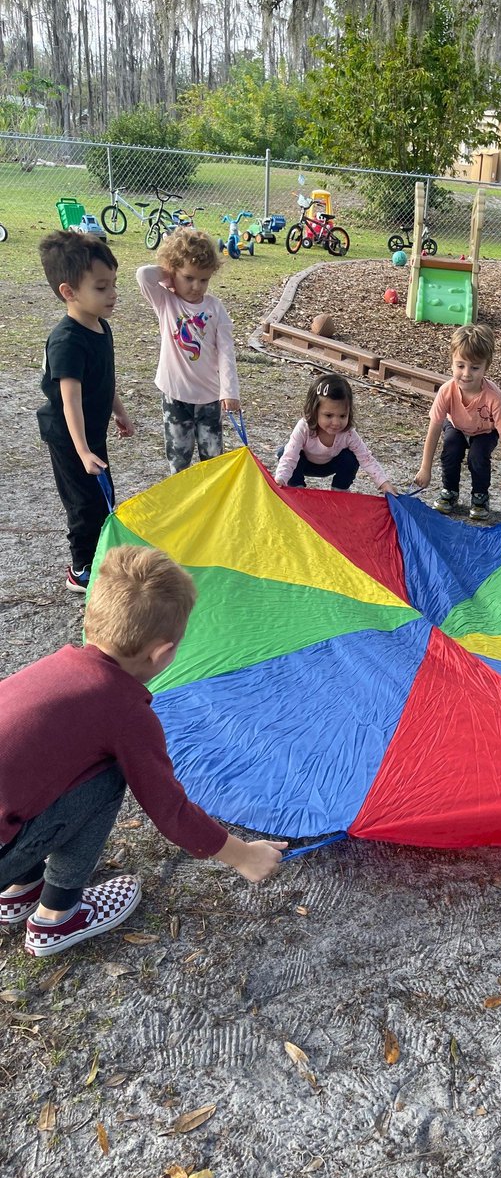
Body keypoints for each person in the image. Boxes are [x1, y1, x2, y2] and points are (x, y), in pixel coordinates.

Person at [0, 545, 287, 958]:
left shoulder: (56, 667)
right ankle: (57, 917)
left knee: (55, 768)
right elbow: (169, 810)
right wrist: (243, 856)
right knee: (109, 773)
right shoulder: (124, 710)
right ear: (163, 653)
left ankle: (21, 884)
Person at [37, 230, 135, 594]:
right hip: (68, 438)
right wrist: (81, 450)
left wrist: (119, 411)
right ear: (69, 291)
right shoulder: (67, 341)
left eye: (113, 284)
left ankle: (100, 554)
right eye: (101, 287)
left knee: (103, 493)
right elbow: (70, 400)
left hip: (91, 434)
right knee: (83, 503)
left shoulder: (100, 327)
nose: (112, 294)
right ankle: (80, 570)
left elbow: (104, 378)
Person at [136, 228, 240, 474]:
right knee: (179, 459)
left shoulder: (216, 308)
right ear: (173, 273)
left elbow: (226, 353)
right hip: (175, 394)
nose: (196, 287)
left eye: (204, 279)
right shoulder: (166, 302)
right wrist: (170, 270)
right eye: (189, 278)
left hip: (209, 397)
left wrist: (230, 391)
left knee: (213, 459)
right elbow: (143, 275)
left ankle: (211, 505)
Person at [414, 323, 501, 520]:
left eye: (475, 367)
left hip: (485, 431)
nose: (467, 373)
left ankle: (480, 496)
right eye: (460, 365)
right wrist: (425, 468)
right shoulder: (446, 391)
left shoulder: (493, 397)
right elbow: (434, 429)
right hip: (457, 425)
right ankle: (450, 491)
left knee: (477, 457)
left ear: (487, 366)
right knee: (451, 447)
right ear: (451, 363)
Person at [274, 373, 397, 495]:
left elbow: (366, 458)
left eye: (343, 416)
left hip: (330, 465)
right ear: (314, 411)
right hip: (305, 464)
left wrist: (384, 483)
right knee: (283, 452)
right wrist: (280, 479)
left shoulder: (348, 433)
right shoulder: (304, 427)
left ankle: (340, 491)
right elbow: (290, 456)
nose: (336, 423)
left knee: (351, 457)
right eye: (329, 415)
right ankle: (297, 491)